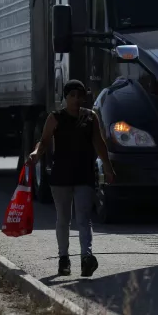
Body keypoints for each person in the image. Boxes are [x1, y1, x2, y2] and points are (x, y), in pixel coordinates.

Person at [27, 79, 116, 277]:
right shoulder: (55, 118)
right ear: (65, 98)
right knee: (63, 219)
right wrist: (35, 155)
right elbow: (44, 142)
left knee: (84, 218)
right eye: (72, 96)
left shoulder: (90, 117)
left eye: (79, 96)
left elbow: (99, 144)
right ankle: (63, 259)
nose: (76, 100)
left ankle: (86, 257)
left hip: (84, 175)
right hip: (61, 176)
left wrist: (108, 168)